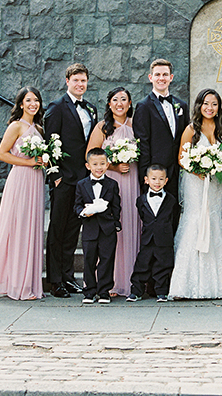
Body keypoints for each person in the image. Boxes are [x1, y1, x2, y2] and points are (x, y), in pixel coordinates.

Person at [168, 88, 222, 299]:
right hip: (195, 184)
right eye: (206, 103)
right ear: (199, 105)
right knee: (196, 221)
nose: (210, 108)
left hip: (216, 184)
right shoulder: (191, 129)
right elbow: (181, 157)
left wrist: (220, 165)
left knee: (215, 220)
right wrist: (196, 169)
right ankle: (184, 286)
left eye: (214, 104)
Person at [0, 87, 47, 300]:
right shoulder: (16, 126)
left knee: (32, 228)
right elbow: (2, 154)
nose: (33, 104)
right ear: (21, 103)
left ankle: (29, 282)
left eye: (36, 100)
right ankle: (17, 285)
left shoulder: (38, 127)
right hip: (20, 179)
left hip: (36, 181)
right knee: (19, 227)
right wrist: (28, 162)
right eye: (28, 100)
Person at [44, 63, 97, 298]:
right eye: (76, 80)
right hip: (64, 179)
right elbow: (49, 144)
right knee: (57, 229)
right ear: (67, 81)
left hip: (84, 180)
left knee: (72, 231)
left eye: (83, 80)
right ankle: (54, 281)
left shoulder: (91, 109)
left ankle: (68, 276)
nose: (80, 84)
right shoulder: (56, 108)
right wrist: (55, 176)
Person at [87, 87, 139, 297]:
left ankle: (130, 280)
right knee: (110, 230)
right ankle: (109, 281)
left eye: (124, 100)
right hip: (110, 182)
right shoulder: (102, 127)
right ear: (109, 104)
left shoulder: (137, 125)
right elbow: (89, 156)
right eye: (115, 99)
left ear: (129, 104)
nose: (120, 103)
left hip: (132, 180)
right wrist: (114, 166)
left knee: (130, 225)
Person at [133, 59, 189, 200]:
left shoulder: (181, 105)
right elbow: (143, 142)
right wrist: (146, 175)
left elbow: (186, 138)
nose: (161, 78)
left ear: (171, 77)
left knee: (176, 212)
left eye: (165, 74)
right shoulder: (144, 106)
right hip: (156, 174)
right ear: (150, 78)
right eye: (157, 75)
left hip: (178, 170)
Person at [73, 147, 122, 304]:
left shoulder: (112, 184)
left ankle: (104, 291)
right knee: (89, 260)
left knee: (107, 260)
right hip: (90, 229)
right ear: (88, 166)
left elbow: (116, 206)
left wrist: (115, 223)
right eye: (95, 164)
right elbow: (77, 205)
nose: (99, 167)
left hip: (108, 229)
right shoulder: (81, 184)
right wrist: (84, 212)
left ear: (108, 165)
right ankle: (89, 291)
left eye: (102, 163)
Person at [127, 165, 179, 303]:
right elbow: (143, 216)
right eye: (154, 178)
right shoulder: (141, 200)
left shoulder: (171, 200)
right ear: (146, 180)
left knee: (163, 265)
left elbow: (172, 218)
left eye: (161, 179)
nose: (157, 182)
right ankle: (136, 291)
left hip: (164, 239)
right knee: (142, 265)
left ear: (166, 181)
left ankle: (161, 292)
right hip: (147, 238)